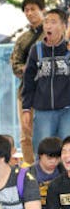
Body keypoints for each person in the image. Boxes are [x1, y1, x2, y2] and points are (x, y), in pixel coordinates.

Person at [22, 8, 70, 153]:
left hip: (67, 111)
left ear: (64, 26)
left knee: (67, 153)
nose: (48, 26)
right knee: (43, 153)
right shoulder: (36, 50)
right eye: (46, 22)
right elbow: (28, 81)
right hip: (43, 112)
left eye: (53, 22)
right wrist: (26, 109)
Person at [10, 0, 46, 164]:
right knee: (25, 135)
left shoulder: (52, 34)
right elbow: (15, 65)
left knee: (47, 133)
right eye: (26, 10)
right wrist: (30, 69)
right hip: (25, 93)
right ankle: (32, 171)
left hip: (49, 93)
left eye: (33, 9)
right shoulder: (22, 39)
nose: (29, 13)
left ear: (42, 10)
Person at [28, 136, 63, 209]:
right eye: (49, 158)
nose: (54, 161)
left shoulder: (63, 171)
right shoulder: (29, 173)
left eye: (57, 158)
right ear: (40, 155)